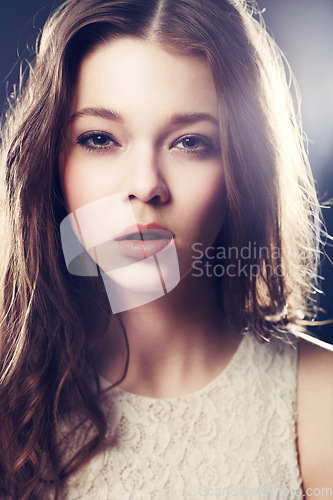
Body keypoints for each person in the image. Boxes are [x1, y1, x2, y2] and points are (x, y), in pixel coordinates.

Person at [0, 0, 332, 498]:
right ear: (52, 160)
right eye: (99, 138)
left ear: (243, 168)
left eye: (190, 143)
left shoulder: (319, 402)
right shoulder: (12, 394)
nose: (145, 185)